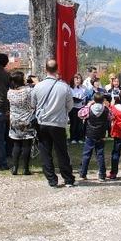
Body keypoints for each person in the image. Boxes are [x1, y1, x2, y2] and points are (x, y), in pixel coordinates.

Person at [31, 59, 75, 187]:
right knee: (62, 151)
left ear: (45, 69)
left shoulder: (38, 86)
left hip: (42, 122)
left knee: (45, 151)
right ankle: (68, 179)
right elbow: (70, 105)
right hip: (58, 123)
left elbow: (33, 104)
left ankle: (51, 179)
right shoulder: (64, 86)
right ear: (57, 70)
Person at [7, 71, 34, 175]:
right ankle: (26, 169)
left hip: (14, 121)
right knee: (27, 145)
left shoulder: (9, 92)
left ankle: (15, 167)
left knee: (16, 144)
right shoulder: (28, 91)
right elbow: (33, 103)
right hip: (27, 120)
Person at [78, 92, 110, 180]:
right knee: (100, 154)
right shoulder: (106, 109)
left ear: (94, 100)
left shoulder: (89, 109)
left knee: (86, 154)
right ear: (103, 100)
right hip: (101, 134)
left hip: (90, 134)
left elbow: (80, 114)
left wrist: (88, 105)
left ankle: (83, 173)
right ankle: (102, 175)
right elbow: (111, 117)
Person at [68, 73, 86, 144]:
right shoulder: (70, 88)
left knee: (80, 124)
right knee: (74, 123)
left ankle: (80, 138)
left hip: (80, 108)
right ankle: (73, 138)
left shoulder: (83, 88)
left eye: (79, 79)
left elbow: (84, 98)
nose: (78, 80)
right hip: (73, 108)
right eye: (76, 79)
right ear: (73, 80)